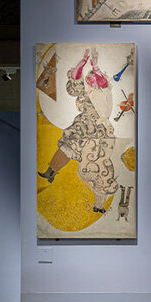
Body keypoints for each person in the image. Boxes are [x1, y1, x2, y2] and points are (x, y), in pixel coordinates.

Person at [38, 50, 118, 214]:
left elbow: (103, 82)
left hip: (98, 130)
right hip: (82, 125)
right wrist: (82, 63)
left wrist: (95, 66)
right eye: (89, 77)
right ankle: (51, 171)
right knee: (68, 145)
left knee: (97, 167)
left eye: (93, 76)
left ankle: (99, 205)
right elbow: (75, 81)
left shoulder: (103, 91)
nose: (90, 78)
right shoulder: (86, 91)